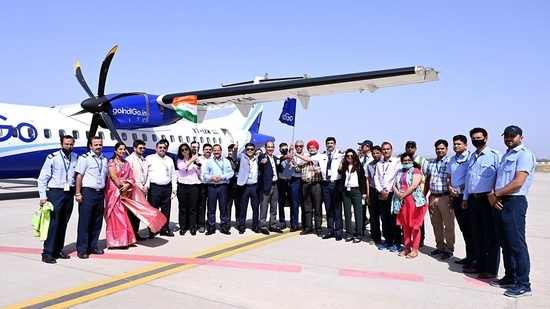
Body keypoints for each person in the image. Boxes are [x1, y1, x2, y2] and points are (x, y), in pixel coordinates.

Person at [488, 125, 536, 298]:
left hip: (514, 202)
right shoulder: (506, 155)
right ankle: (510, 276)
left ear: (520, 138)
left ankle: (524, 284)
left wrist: (495, 195)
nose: (509, 138)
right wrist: (493, 196)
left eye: (512, 136)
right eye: (506, 136)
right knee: (505, 243)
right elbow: (499, 179)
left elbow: (518, 182)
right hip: (500, 201)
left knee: (517, 246)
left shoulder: (525, 155)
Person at [462, 127, 501, 279]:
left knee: (490, 235)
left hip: (487, 199)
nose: (476, 140)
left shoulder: (495, 156)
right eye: (473, 138)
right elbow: (468, 179)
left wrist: (494, 194)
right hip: (473, 199)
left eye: (479, 137)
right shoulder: (472, 157)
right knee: (476, 233)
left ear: (486, 138)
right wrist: (465, 198)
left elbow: (500, 177)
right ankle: (478, 264)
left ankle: (491, 269)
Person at [37, 135, 78, 263]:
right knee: (54, 223)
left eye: (71, 144)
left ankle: (58, 249)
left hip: (69, 193)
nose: (69, 146)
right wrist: (43, 197)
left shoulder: (76, 158)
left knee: (64, 222)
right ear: (61, 144)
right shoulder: (52, 158)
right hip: (56, 192)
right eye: (66, 144)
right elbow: (42, 178)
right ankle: (47, 252)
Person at [304, 137, 345, 241]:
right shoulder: (321, 155)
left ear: (335, 144)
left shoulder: (341, 155)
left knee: (337, 208)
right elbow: (308, 159)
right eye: (328, 143)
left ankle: (339, 232)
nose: (330, 145)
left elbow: (352, 157)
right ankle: (330, 230)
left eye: (331, 143)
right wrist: (295, 154)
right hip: (325, 184)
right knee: (329, 208)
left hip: (335, 184)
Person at [74, 136, 108, 259]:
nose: (98, 147)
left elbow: (106, 177)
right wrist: (78, 193)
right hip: (88, 192)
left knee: (97, 222)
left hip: (100, 193)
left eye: (100, 144)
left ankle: (93, 246)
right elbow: (79, 176)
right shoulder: (85, 159)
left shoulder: (104, 159)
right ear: (90, 146)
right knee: (85, 221)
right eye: (96, 145)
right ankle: (82, 249)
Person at [392, 152, 428, 259]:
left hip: (414, 201)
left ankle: (415, 249)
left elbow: (414, 185)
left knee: (415, 226)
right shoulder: (399, 172)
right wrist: (398, 194)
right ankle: (406, 247)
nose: (407, 162)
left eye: (409, 160)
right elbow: (394, 185)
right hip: (402, 201)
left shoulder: (416, 171)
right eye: (404, 161)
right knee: (405, 225)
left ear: (412, 161)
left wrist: (403, 195)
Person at [424, 139, 454, 260]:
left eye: (442, 148)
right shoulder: (430, 163)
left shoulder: (450, 163)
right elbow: (427, 180)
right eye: (437, 148)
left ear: (446, 149)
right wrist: (424, 195)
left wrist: (452, 198)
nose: (439, 150)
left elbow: (452, 180)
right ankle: (440, 246)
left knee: (449, 225)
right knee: (436, 225)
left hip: (445, 197)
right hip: (433, 197)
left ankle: (449, 249)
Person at [447, 135, 474, 268]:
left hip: (466, 197)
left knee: (471, 229)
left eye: (459, 144)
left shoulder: (470, 158)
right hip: (456, 197)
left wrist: (458, 188)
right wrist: (450, 188)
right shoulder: (452, 159)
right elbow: (449, 176)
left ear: (465, 145)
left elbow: (469, 179)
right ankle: (469, 256)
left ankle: (474, 258)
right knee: (464, 229)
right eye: (455, 144)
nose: (456, 146)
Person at [374, 142, 402, 252]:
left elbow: (397, 177)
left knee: (393, 220)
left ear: (391, 149)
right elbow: (376, 178)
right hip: (381, 193)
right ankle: (387, 241)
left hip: (392, 193)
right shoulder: (379, 163)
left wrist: (388, 190)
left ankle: (397, 242)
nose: (386, 151)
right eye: (384, 149)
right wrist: (381, 190)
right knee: (384, 219)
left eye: (388, 149)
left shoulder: (396, 162)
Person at [146, 140, 177, 238]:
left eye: (164, 148)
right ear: (156, 148)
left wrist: (174, 187)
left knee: (166, 210)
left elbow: (173, 174)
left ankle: (165, 229)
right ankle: (152, 230)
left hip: (167, 187)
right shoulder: (149, 158)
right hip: (154, 187)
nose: (162, 149)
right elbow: (146, 175)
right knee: (153, 210)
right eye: (160, 147)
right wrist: (146, 186)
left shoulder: (169, 159)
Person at [202, 144, 234, 235]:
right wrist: (212, 178)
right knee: (211, 208)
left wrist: (222, 177)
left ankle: (224, 226)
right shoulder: (209, 162)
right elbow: (205, 174)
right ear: (213, 151)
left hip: (222, 187)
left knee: (223, 208)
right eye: (215, 150)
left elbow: (231, 173)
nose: (216, 152)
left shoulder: (226, 161)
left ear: (221, 151)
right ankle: (211, 227)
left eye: (218, 150)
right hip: (212, 187)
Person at [295, 140, 323, 236]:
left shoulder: (319, 158)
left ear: (317, 148)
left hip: (315, 184)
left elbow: (321, 170)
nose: (311, 149)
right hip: (305, 184)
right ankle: (308, 227)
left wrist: (315, 169)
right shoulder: (304, 159)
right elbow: (298, 169)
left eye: (313, 147)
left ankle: (318, 228)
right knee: (307, 208)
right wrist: (293, 163)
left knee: (317, 208)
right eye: (310, 147)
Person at [338, 149, 366, 243]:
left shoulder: (358, 166)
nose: (349, 157)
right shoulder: (344, 166)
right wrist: (341, 163)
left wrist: (364, 192)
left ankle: (358, 234)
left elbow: (362, 179)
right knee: (347, 213)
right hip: (346, 191)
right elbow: (340, 173)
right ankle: (349, 234)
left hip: (356, 191)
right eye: (348, 156)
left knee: (358, 213)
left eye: (351, 156)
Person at [232, 142, 260, 234]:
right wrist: (235, 149)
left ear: (254, 150)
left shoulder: (257, 159)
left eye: (252, 149)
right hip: (244, 186)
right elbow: (234, 158)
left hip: (255, 186)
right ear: (245, 150)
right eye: (248, 149)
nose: (250, 151)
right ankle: (242, 226)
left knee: (255, 208)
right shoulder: (242, 157)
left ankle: (255, 225)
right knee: (243, 208)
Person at [405, 140, 428, 247]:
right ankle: (407, 240)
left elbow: (427, 177)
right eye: (408, 147)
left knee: (418, 219)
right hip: (406, 195)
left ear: (415, 148)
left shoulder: (422, 161)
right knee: (407, 218)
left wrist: (424, 192)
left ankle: (420, 240)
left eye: (412, 147)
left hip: (418, 195)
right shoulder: (404, 160)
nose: (410, 149)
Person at [258, 141, 284, 234]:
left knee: (274, 207)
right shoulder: (262, 157)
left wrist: (290, 165)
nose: (270, 149)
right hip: (266, 186)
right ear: (265, 148)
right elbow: (259, 165)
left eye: (272, 147)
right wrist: (262, 162)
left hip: (275, 185)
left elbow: (282, 170)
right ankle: (263, 226)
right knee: (264, 207)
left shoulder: (276, 158)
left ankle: (273, 225)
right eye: (268, 147)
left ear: (274, 148)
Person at [176, 143, 202, 236]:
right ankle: (183, 227)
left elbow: (199, 172)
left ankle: (192, 227)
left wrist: (198, 165)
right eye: (182, 150)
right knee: (183, 208)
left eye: (186, 149)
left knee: (192, 208)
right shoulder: (180, 160)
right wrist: (192, 160)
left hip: (193, 186)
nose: (184, 151)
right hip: (183, 185)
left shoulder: (194, 159)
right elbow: (182, 168)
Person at [126, 139, 149, 241]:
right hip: (134, 189)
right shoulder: (129, 160)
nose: (142, 150)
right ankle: (130, 234)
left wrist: (147, 186)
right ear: (134, 148)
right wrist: (140, 186)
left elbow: (148, 175)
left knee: (139, 214)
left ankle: (136, 232)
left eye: (144, 148)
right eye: (140, 148)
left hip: (143, 189)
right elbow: (131, 176)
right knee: (132, 213)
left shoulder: (144, 160)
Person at [287, 140, 305, 232]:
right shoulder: (291, 156)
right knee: (294, 204)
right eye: (297, 146)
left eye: (300, 146)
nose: (298, 147)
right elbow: (286, 172)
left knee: (305, 204)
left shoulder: (306, 156)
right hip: (294, 180)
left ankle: (305, 224)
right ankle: (294, 224)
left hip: (304, 181)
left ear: (303, 147)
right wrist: (290, 164)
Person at [366, 145, 382, 245]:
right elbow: (368, 180)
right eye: (373, 153)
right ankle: (376, 237)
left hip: (384, 191)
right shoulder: (370, 165)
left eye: (377, 153)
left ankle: (389, 237)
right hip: (373, 191)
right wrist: (368, 194)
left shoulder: (385, 163)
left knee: (385, 216)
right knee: (373, 216)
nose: (375, 155)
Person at [196, 143, 212, 233]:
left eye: (210, 149)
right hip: (201, 185)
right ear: (203, 150)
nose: (208, 151)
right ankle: (201, 225)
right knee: (201, 206)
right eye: (206, 149)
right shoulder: (199, 159)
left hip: (211, 185)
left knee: (211, 206)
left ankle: (210, 224)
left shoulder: (214, 160)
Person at [357, 139, 374, 229]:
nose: (361, 148)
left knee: (371, 209)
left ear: (368, 147)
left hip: (370, 185)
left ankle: (373, 229)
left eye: (362, 146)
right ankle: (362, 225)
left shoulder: (373, 158)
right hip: (361, 185)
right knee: (361, 207)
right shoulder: (361, 158)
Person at [277, 142, 290, 229]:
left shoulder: (292, 156)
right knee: (281, 202)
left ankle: (293, 221)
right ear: (280, 150)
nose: (285, 151)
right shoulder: (278, 157)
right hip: (281, 182)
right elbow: (280, 160)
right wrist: (285, 157)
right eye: (283, 149)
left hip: (290, 181)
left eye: (286, 149)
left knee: (292, 202)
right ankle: (282, 221)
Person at [226, 143, 239, 229]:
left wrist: (236, 167)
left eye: (232, 151)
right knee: (228, 205)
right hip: (229, 186)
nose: (231, 152)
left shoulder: (239, 160)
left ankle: (238, 222)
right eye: (229, 151)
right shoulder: (225, 160)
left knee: (238, 205)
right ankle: (227, 223)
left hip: (238, 186)